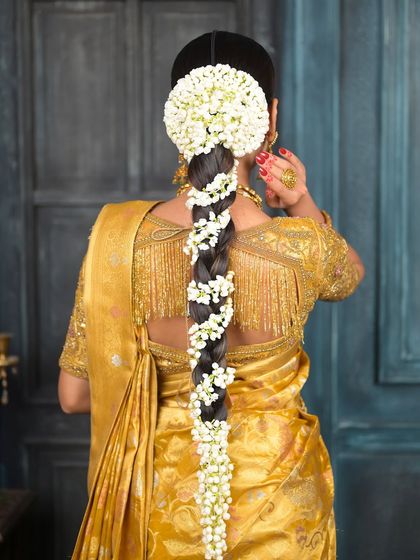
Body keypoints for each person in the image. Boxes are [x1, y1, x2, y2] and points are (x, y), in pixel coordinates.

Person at [58, 30, 365, 560]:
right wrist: (300, 200)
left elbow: (75, 396)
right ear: (269, 118)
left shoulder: (120, 242)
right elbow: (348, 274)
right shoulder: (302, 247)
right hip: (282, 511)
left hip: (161, 511)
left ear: (178, 120)